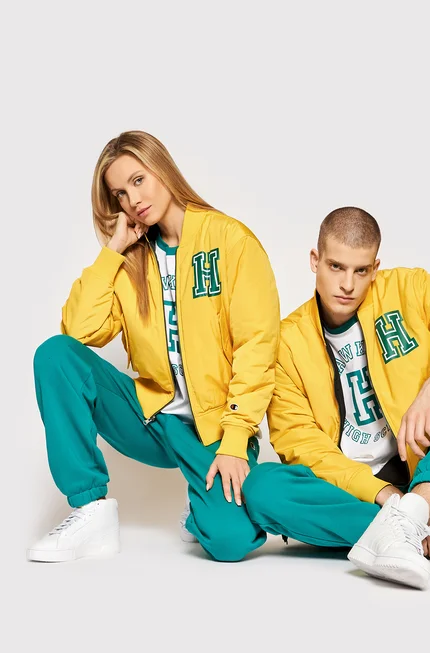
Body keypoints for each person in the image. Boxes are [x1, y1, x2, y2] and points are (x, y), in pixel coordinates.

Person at [242, 206, 430, 589]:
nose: (347, 284)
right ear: (315, 260)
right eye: (336, 267)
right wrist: (384, 494)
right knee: (262, 486)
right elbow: (300, 442)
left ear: (375, 267)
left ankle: (414, 517)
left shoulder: (409, 289)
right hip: (352, 497)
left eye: (361, 270)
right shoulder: (287, 341)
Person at [28, 131, 280, 563]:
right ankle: (90, 510)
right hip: (152, 418)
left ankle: (199, 507)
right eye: (120, 194)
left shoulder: (231, 240)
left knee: (230, 541)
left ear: (162, 168)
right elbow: (78, 330)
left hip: (214, 431)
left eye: (138, 180)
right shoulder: (131, 261)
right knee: (55, 356)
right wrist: (114, 250)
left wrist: (237, 438)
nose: (133, 200)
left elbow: (257, 346)